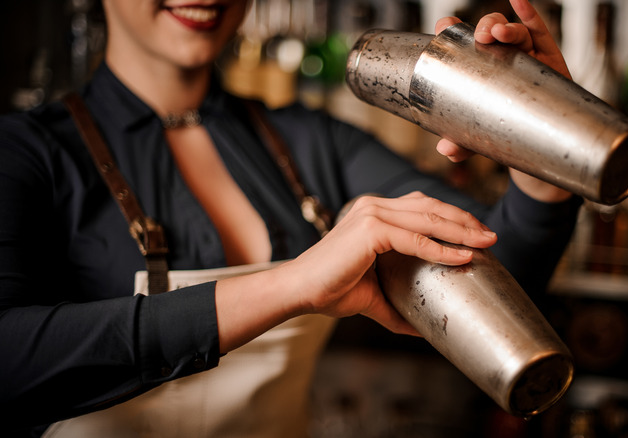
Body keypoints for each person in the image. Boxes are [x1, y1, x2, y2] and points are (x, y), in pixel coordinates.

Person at [0, 0, 581, 436]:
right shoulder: (26, 152)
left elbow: (502, 278)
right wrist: (292, 285)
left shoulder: (311, 144)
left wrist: (536, 146)